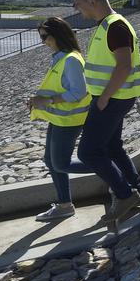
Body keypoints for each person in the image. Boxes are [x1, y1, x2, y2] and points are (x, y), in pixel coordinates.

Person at [72, 0, 140, 227]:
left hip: (112, 98)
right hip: (114, 97)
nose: (77, 8)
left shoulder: (115, 26)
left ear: (92, 2)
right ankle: (136, 188)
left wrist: (103, 98)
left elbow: (123, 66)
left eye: (78, 3)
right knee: (113, 147)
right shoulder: (108, 25)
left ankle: (125, 195)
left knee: (88, 152)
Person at [29, 17, 91, 221]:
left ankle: (111, 168)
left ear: (58, 35)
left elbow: (79, 92)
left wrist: (46, 101)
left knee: (61, 164)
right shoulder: (61, 57)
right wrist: (39, 102)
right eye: (41, 37)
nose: (42, 41)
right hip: (60, 119)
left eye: (45, 36)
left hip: (70, 120)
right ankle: (65, 204)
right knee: (50, 160)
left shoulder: (71, 59)